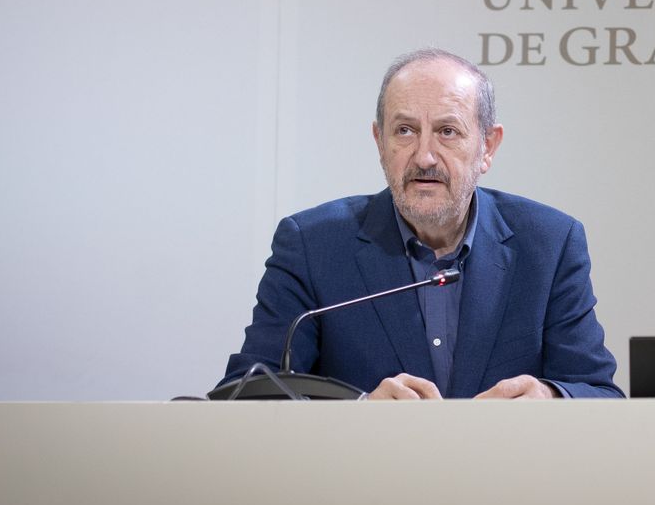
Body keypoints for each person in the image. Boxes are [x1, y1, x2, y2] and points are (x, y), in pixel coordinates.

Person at [221, 48, 621, 399]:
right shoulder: (311, 245)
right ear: (380, 143)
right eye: (405, 131)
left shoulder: (549, 243)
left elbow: (599, 392)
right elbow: (251, 392)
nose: (425, 156)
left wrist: (549, 396)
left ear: (488, 147)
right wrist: (357, 412)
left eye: (447, 132)